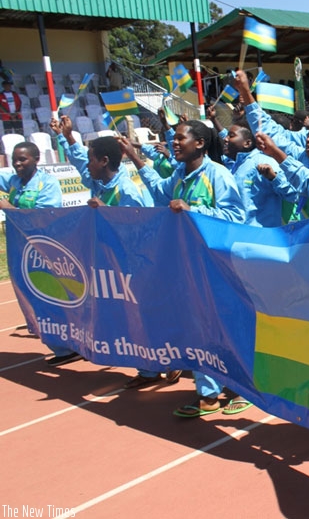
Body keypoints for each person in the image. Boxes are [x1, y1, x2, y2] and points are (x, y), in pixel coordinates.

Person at [122, 120, 247, 417]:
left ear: (200, 143)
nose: (174, 143)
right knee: (197, 327)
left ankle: (238, 388)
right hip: (186, 265)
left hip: (216, 266)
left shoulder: (217, 174)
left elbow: (235, 216)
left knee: (221, 328)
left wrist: (195, 210)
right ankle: (209, 393)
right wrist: (135, 158)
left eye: (180, 138)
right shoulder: (179, 175)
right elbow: (158, 191)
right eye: (174, 139)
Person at [51, 116, 183, 387]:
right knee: (127, 316)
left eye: (91, 159)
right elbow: (79, 164)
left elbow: (141, 228)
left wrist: (107, 213)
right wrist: (69, 138)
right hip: (114, 261)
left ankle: (173, 358)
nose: (86, 165)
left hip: (140, 262)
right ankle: (148, 370)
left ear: (103, 161)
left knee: (149, 314)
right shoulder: (99, 179)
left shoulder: (127, 190)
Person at [0, 142, 72, 364]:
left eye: (23, 160)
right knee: (28, 295)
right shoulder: (13, 181)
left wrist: (7, 207)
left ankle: (68, 345)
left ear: (36, 159)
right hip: (18, 249)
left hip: (42, 250)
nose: (18, 164)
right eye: (15, 160)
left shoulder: (47, 184)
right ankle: (58, 344)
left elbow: (41, 217)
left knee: (50, 295)